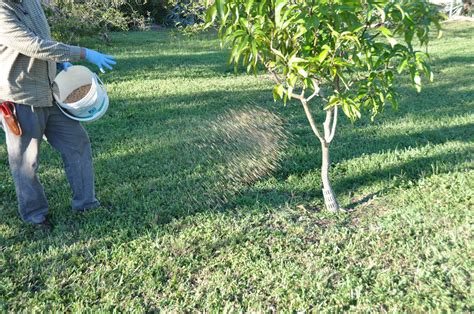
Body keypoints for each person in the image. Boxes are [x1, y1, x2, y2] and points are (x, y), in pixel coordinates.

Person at [0, 0, 116, 231]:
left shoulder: (30, 2)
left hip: (51, 91)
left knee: (77, 143)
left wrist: (60, 60)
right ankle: (35, 216)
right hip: (19, 97)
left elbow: (44, 36)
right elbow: (34, 45)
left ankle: (86, 204)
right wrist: (83, 53)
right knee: (26, 161)